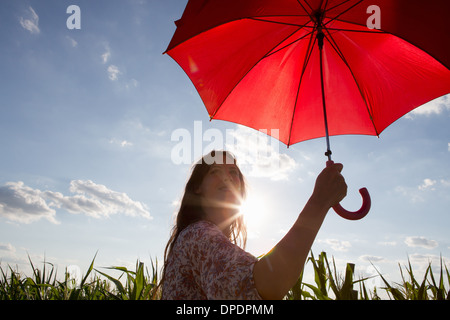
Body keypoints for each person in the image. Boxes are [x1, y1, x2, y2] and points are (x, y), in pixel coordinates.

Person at [161, 150, 347, 300]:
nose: (227, 177)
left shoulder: (199, 237)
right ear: (197, 187)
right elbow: (265, 286)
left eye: (233, 172)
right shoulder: (198, 235)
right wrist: (319, 201)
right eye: (215, 171)